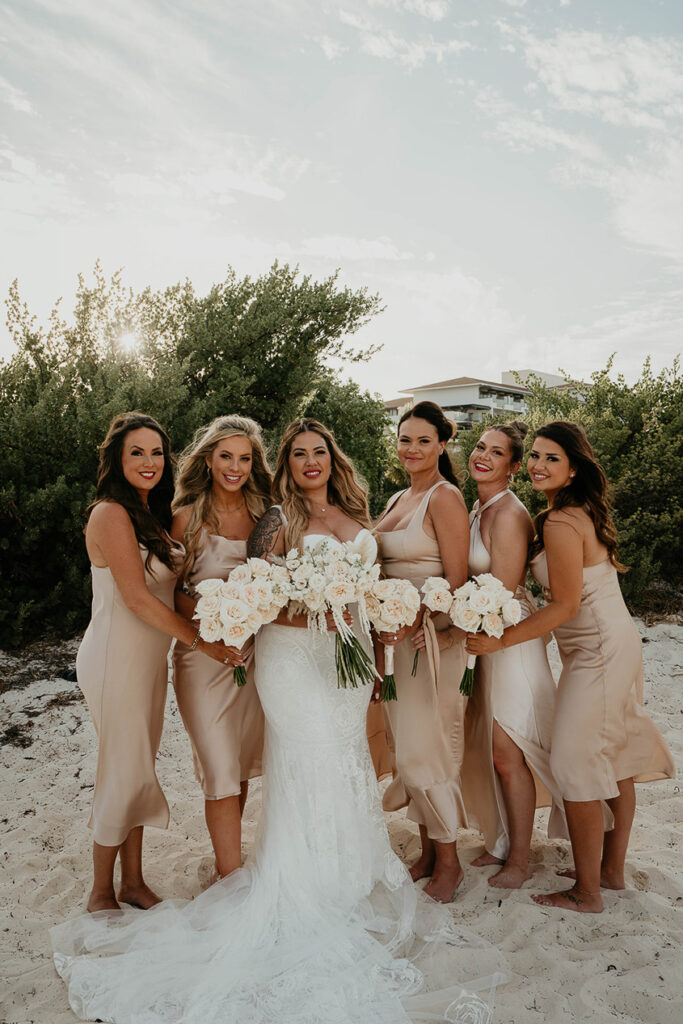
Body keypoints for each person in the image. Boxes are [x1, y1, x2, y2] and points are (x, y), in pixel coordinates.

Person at [51, 417, 506, 1024]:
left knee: (340, 755)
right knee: (266, 760)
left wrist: (368, 639)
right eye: (298, 455)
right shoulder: (269, 521)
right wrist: (306, 615)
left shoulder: (357, 508)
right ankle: (195, 881)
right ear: (282, 465)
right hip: (276, 656)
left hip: (339, 657)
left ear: (330, 458)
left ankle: (346, 871)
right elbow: (247, 599)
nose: (308, 462)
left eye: (319, 451)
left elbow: (369, 587)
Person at [466, 421, 675, 913]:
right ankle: (610, 872)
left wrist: (500, 640)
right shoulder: (568, 512)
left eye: (551, 458)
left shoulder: (560, 523)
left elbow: (562, 608)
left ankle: (587, 892)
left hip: (598, 650)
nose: (538, 464)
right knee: (614, 757)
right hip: (610, 643)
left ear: (574, 467)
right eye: (535, 455)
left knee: (574, 763)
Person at [74, 412, 233, 914]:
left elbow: (174, 589)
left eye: (157, 452)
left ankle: (134, 883)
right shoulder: (110, 514)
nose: (149, 462)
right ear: (117, 461)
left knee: (137, 765)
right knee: (121, 769)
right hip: (115, 659)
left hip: (147, 662)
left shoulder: (150, 513)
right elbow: (139, 600)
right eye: (137, 453)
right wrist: (202, 643)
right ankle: (102, 891)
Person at [461, 422, 565, 888]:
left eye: (496, 452)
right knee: (494, 747)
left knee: (511, 751)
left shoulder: (508, 514)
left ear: (514, 466)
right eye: (480, 447)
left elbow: (500, 592)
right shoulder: (477, 507)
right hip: (487, 640)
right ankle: (501, 842)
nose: (483, 456)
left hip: (512, 641)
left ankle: (521, 859)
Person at [375, 401, 470, 903]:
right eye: (405, 440)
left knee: (423, 747)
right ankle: (430, 851)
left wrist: (419, 618)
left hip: (427, 639)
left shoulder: (445, 497)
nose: (412, 449)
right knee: (404, 745)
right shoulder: (397, 497)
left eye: (423, 441)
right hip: (392, 641)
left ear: (442, 444)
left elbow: (456, 579)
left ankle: (450, 860)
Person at [171, 416, 272, 881]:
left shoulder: (265, 514)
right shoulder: (186, 516)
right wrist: (209, 620)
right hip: (202, 656)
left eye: (245, 458)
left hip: (253, 656)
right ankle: (232, 879)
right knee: (218, 765)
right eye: (226, 457)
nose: (236, 467)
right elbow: (170, 590)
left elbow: (275, 582)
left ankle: (226, 865)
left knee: (240, 764)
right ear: (208, 460)